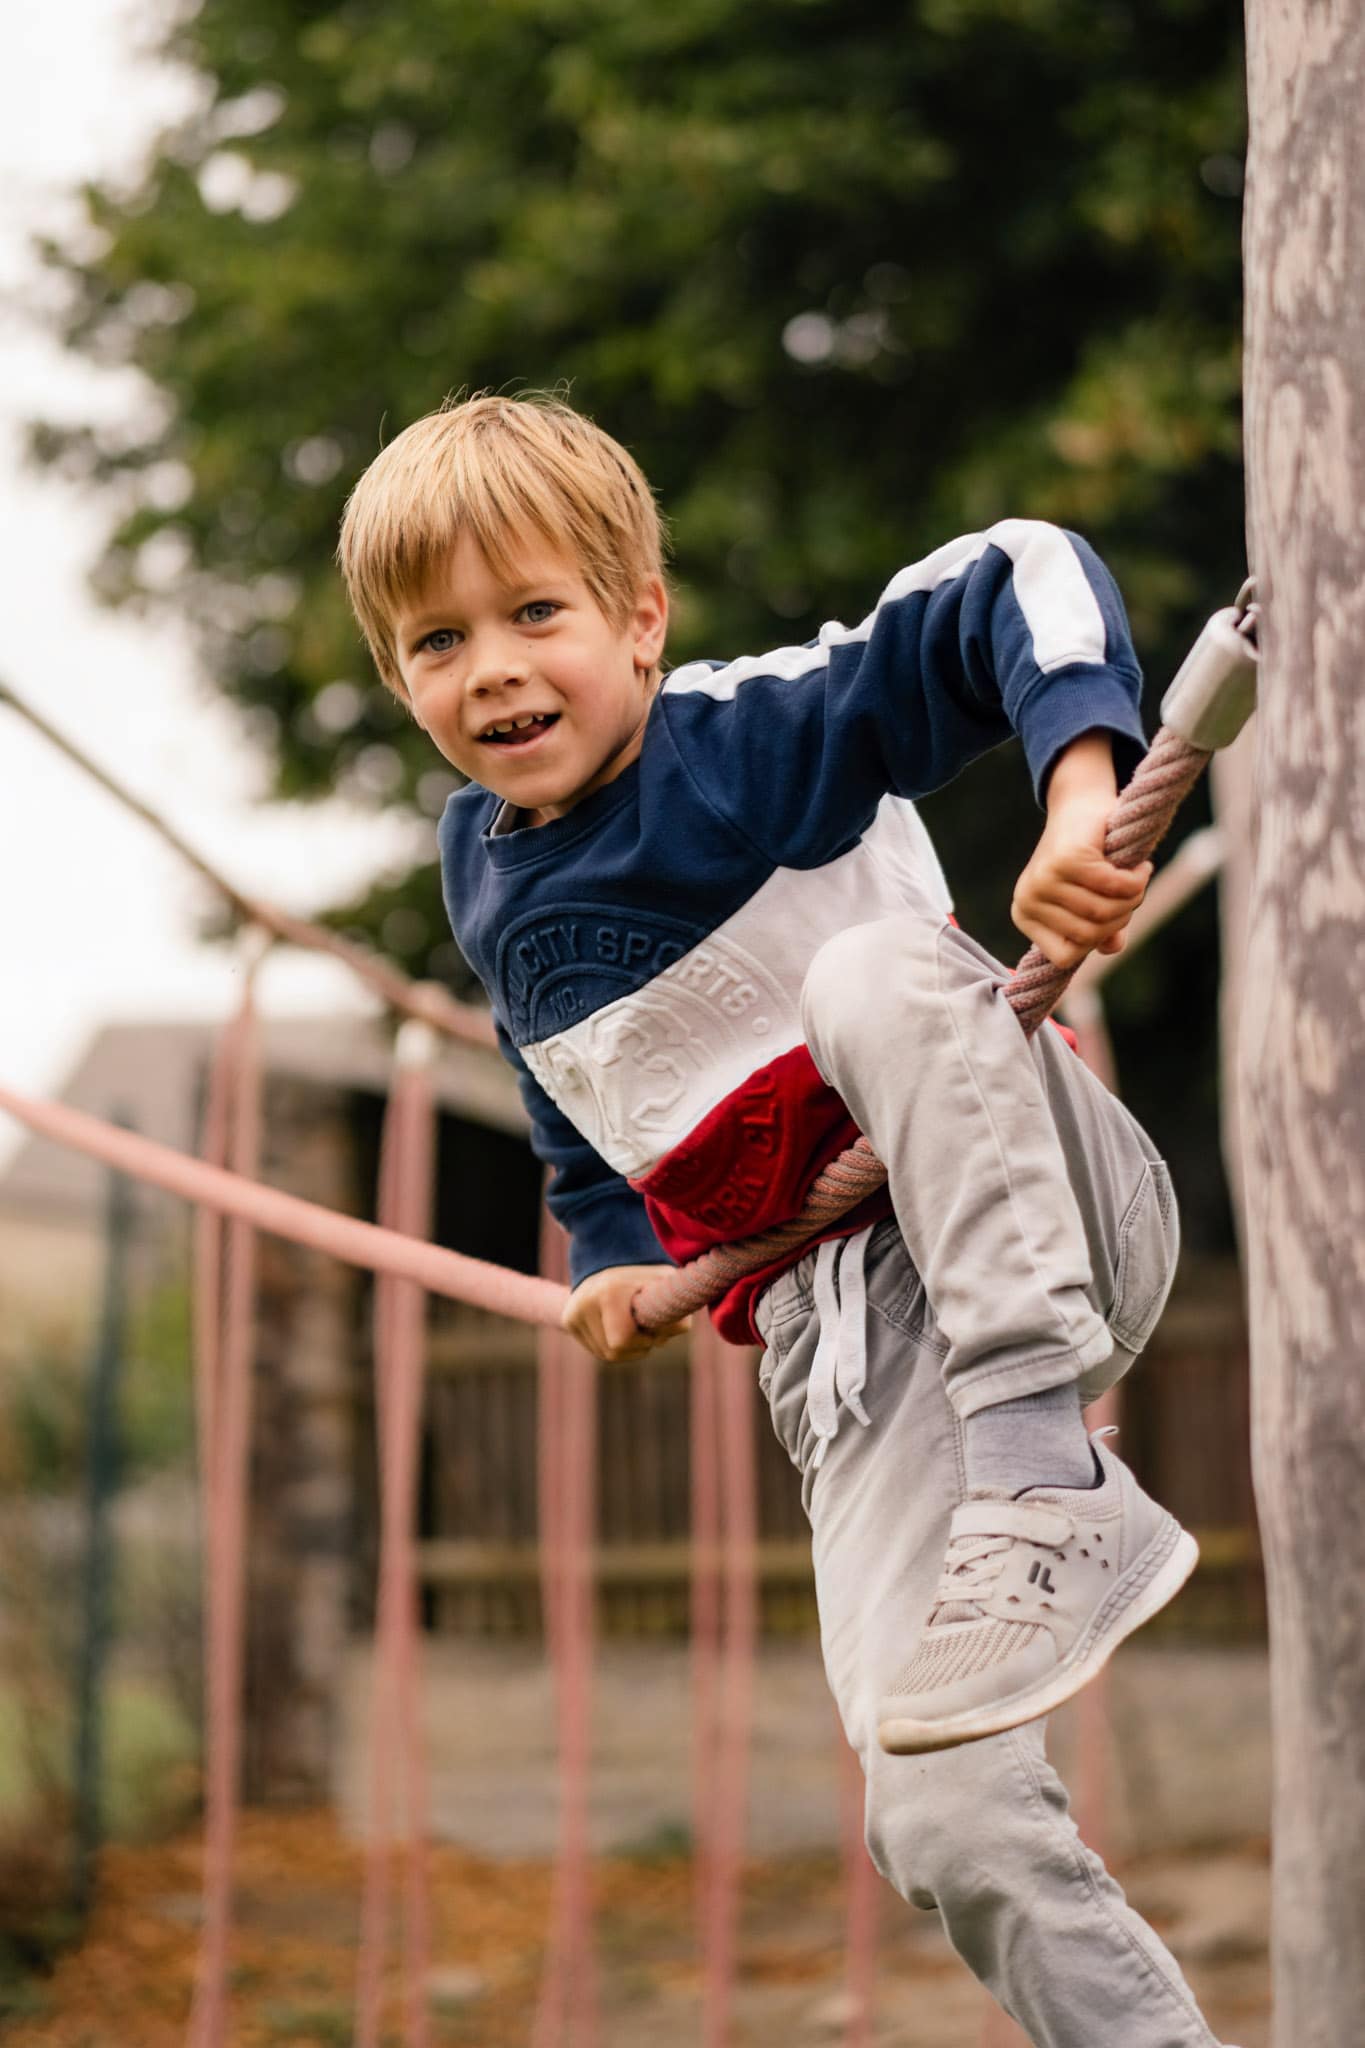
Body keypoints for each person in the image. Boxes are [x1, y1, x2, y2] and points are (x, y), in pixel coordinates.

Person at [338, 391, 1227, 2045]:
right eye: (437, 641)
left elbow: (1016, 568)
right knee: (936, 1820)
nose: (495, 669)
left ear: (639, 617)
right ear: (401, 682)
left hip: (1021, 1201)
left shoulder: (745, 742)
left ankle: (1049, 1463)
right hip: (850, 1361)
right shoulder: (484, 871)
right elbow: (575, 1106)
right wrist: (613, 1262)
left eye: (537, 612)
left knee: (869, 972)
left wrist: (1070, 804)